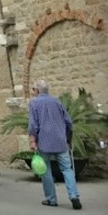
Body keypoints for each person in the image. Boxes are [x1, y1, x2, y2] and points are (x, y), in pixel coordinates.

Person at [28, 80, 82, 210]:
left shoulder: (34, 103)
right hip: (60, 140)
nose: (32, 92)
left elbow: (33, 124)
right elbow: (68, 121)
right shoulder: (56, 101)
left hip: (44, 141)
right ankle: (74, 196)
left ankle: (51, 199)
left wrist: (32, 140)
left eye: (33, 89)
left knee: (45, 170)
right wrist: (68, 137)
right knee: (67, 169)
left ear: (37, 90)